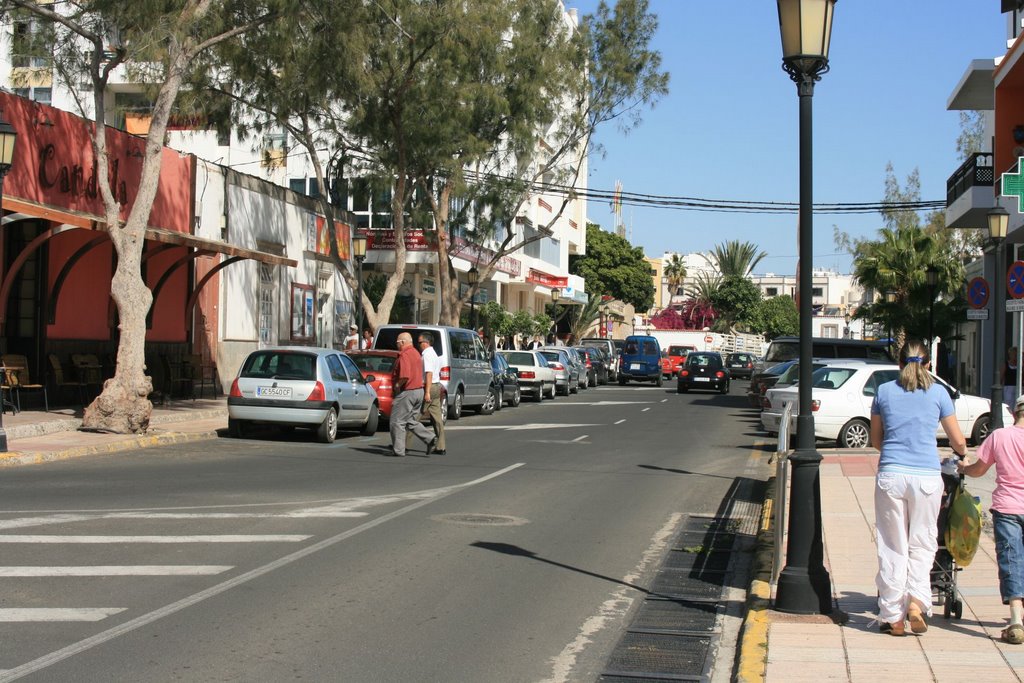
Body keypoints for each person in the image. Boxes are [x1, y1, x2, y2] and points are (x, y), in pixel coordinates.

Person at [870, 339, 968, 636]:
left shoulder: (884, 391)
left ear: (899, 364)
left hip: (891, 475)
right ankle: (917, 602)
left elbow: (877, 440)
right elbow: (959, 441)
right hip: (926, 476)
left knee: (892, 544)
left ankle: (893, 616)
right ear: (929, 365)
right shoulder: (939, 393)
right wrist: (962, 456)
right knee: (924, 541)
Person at [959, 395, 1024, 644]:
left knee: (1011, 559)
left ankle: (1016, 618)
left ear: (1015, 412)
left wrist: (963, 468)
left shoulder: (1000, 436)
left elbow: (979, 469)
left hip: (1007, 507)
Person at [388, 332, 437, 456]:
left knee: (397, 421)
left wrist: (397, 386)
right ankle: (429, 438)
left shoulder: (404, 354)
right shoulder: (416, 353)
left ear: (403, 342)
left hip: (407, 392)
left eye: (397, 343)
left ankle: (398, 450)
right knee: (409, 420)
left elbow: (405, 375)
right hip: (418, 391)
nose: (397, 345)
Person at [407, 332, 446, 455]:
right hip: (436, 386)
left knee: (412, 418)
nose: (418, 345)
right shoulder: (434, 354)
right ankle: (441, 446)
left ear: (426, 343)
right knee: (437, 419)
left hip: (429, 387)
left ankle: (403, 445)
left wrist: (427, 392)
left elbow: (428, 373)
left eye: (419, 342)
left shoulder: (427, 355)